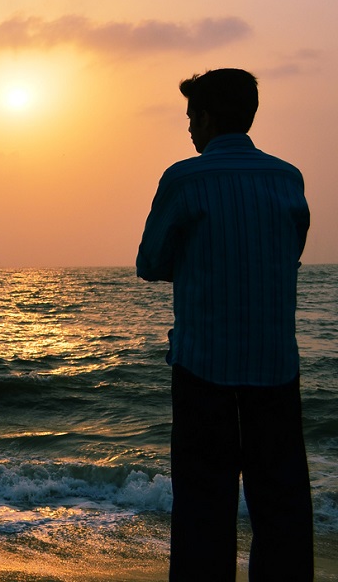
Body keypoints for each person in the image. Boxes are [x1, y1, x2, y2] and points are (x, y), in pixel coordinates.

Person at [137, 68, 312, 580]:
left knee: (202, 507)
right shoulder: (288, 178)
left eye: (192, 116)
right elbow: (290, 250)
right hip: (275, 367)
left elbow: (150, 263)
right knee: (282, 508)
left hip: (203, 367)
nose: (189, 128)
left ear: (208, 117)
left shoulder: (186, 178)